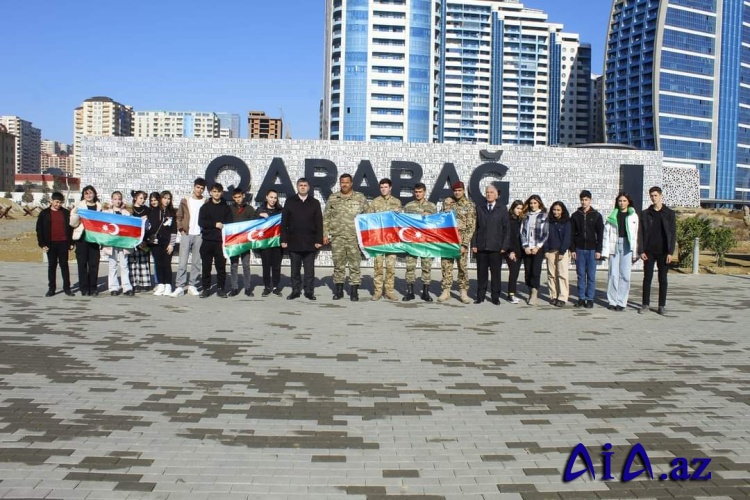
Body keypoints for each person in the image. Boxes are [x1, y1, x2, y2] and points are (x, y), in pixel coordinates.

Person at [323, 173, 368, 301]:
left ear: (351, 183)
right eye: (342, 182)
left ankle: (354, 292)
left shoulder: (360, 198)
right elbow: (326, 217)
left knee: (355, 265)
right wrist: (325, 233)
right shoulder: (333, 198)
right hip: (337, 237)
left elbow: (368, 216)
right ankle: (339, 291)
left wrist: (366, 236)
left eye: (347, 182)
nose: (344, 184)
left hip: (354, 238)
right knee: (338, 265)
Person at [281, 178, 324, 300]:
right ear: (297, 187)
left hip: (310, 242)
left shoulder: (315, 202)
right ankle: (295, 290)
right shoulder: (290, 201)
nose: (303, 187)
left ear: (309, 187)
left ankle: (309, 291)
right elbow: (284, 222)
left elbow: (319, 222)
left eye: (305, 185)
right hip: (294, 241)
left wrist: (318, 240)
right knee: (295, 269)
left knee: (309, 270)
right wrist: (283, 239)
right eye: (301, 185)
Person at [638, 186, 676, 315]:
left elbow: (673, 234)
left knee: (663, 279)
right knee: (647, 278)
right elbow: (641, 233)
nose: (653, 198)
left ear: (660, 196)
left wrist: (671, 252)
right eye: (651, 196)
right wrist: (641, 250)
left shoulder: (669, 213)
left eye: (655, 195)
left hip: (664, 252)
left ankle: (661, 305)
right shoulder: (645, 213)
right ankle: (645, 304)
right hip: (649, 251)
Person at [471, 185, 511, 305]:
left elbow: (506, 229)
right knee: (481, 273)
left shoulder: (502, 209)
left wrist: (504, 246)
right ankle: (480, 296)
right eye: (487, 192)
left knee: (496, 274)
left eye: (491, 192)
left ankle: (495, 297)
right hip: (482, 247)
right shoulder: (479, 208)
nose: (489, 194)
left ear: (496, 195)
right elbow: (475, 227)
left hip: (496, 248)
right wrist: (474, 243)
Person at [437, 181, 475, 304]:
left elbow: (471, 226)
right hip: (448, 240)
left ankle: (463, 291)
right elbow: (442, 219)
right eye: (455, 190)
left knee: (462, 267)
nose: (457, 193)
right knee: (446, 265)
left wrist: (465, 244)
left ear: (463, 191)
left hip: (461, 241)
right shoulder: (448, 202)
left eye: (459, 190)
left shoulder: (469, 205)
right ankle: (446, 290)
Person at [366, 178, 402, 301]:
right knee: (378, 267)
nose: (383, 189)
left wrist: (399, 212)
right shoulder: (375, 202)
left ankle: (389, 291)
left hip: (391, 240)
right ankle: (377, 291)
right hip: (379, 240)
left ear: (390, 188)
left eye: (385, 187)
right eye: (381, 187)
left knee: (391, 267)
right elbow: (369, 219)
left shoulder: (397, 202)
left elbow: (400, 221)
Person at [602, 192, 639, 311]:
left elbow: (636, 235)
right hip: (615, 244)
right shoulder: (612, 216)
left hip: (627, 246)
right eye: (620, 201)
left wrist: (636, 252)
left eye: (624, 201)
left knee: (625, 275)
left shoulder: (633, 216)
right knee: (613, 274)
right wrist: (605, 251)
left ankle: (621, 302)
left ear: (628, 202)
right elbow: (606, 235)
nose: (622, 203)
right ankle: (612, 301)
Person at [170, 178, 206, 297]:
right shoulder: (186, 200)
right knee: (182, 261)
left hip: (199, 235)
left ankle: (192, 285)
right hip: (187, 233)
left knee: (196, 262)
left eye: (202, 188)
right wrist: (181, 229)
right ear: (194, 187)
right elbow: (179, 215)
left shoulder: (205, 201)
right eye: (198, 187)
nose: (199, 190)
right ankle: (180, 286)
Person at [402, 182, 437, 302]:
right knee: (410, 267)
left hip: (426, 242)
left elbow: (436, 225)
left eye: (420, 192)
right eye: (416, 192)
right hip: (412, 242)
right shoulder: (408, 206)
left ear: (424, 192)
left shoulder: (432, 207)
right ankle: (410, 292)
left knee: (426, 267)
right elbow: (403, 224)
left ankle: (425, 292)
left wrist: (429, 217)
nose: (418, 194)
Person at [570, 190, 604, 309]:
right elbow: (572, 234)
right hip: (579, 249)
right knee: (580, 275)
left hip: (592, 250)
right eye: (582, 200)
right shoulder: (575, 215)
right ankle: (581, 298)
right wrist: (572, 250)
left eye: (586, 200)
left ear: (590, 200)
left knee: (591, 275)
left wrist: (599, 250)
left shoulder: (596, 215)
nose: (584, 202)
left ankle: (589, 298)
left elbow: (600, 234)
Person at [36, 191, 74, 297]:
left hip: (63, 243)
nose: (58, 204)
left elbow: (71, 228)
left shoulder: (66, 213)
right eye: (56, 202)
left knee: (64, 266)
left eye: (60, 202)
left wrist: (71, 242)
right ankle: (51, 288)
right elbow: (39, 230)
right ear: (51, 201)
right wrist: (42, 244)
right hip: (50, 244)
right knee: (52, 266)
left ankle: (67, 288)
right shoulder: (44, 214)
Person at [198, 183, 233, 298]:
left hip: (220, 242)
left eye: (218, 191)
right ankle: (206, 288)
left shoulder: (226, 208)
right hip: (207, 241)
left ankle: (221, 288)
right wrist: (214, 224)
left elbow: (230, 223)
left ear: (222, 193)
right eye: (214, 191)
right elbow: (201, 222)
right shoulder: (205, 207)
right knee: (206, 267)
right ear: (210, 193)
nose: (216, 193)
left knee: (221, 267)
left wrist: (224, 225)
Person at [70, 185, 103, 296]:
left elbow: (103, 223)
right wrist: (77, 214)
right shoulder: (79, 206)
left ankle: (93, 287)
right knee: (82, 264)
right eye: (86, 193)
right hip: (82, 239)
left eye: (90, 193)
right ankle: (84, 288)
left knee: (94, 264)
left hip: (94, 239)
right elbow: (72, 223)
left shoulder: (99, 207)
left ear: (94, 194)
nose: (88, 195)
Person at [146, 191, 177, 296]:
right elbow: (150, 227)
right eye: (165, 198)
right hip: (155, 243)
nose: (166, 201)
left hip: (167, 243)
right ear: (161, 199)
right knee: (158, 264)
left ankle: (168, 285)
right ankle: (161, 284)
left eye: (169, 198)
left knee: (166, 264)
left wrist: (171, 244)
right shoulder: (153, 211)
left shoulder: (171, 213)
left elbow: (174, 230)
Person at [102, 191, 133, 296]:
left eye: (119, 199)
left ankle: (126, 287)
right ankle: (113, 287)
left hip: (123, 242)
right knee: (112, 265)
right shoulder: (107, 212)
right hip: (111, 242)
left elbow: (130, 226)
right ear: (112, 200)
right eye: (115, 199)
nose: (117, 201)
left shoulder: (126, 213)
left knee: (124, 265)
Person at [227, 188, 256, 297]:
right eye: (236, 197)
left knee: (246, 265)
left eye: (239, 197)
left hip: (245, 241)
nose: (238, 199)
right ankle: (234, 287)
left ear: (243, 196)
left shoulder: (249, 209)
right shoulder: (230, 209)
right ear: (233, 198)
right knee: (234, 265)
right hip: (234, 241)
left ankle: (248, 288)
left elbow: (254, 223)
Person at [520, 194, 548, 306]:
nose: (532, 205)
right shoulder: (525, 216)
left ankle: (534, 294)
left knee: (536, 271)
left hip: (537, 248)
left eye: (535, 203)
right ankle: (530, 290)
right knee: (528, 272)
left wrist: (537, 247)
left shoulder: (543, 216)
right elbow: (522, 232)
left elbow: (545, 233)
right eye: (531, 203)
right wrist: (525, 246)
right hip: (527, 247)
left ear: (539, 203)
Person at [256, 189, 283, 296]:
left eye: (275, 198)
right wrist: (260, 215)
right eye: (271, 197)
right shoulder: (260, 210)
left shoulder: (280, 211)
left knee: (276, 266)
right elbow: (253, 223)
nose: (273, 200)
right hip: (265, 243)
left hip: (277, 243)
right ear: (266, 197)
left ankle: (276, 286)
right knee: (266, 265)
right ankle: (267, 287)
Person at [545, 201, 572, 307]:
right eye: (554, 210)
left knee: (562, 274)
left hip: (562, 252)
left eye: (558, 210)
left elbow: (567, 238)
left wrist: (562, 251)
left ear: (562, 211)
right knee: (551, 274)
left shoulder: (566, 222)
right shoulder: (549, 222)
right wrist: (546, 250)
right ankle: (553, 295)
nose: (555, 212)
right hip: (550, 251)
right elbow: (545, 236)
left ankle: (562, 297)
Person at [128, 190, 152, 292]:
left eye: (144, 199)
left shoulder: (147, 210)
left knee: (143, 261)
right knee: (133, 261)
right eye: (141, 198)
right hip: (132, 239)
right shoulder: (129, 209)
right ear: (135, 198)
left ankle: (145, 283)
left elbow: (150, 225)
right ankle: (134, 283)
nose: (143, 201)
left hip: (143, 238)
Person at [504, 200, 524, 304]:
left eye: (521, 209)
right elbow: (509, 237)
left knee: (515, 273)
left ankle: (512, 293)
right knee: (514, 272)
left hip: (519, 250)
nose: (519, 211)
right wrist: (510, 251)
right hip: (511, 250)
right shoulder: (509, 220)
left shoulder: (520, 220)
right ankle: (511, 294)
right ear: (513, 208)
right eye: (517, 208)